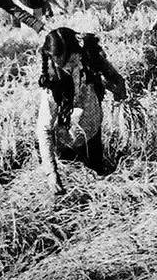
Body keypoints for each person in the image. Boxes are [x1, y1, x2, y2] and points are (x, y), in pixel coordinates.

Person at [36, 28, 127, 194]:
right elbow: (44, 129)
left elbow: (113, 78)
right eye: (57, 61)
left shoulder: (89, 58)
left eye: (70, 60)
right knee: (76, 188)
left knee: (100, 183)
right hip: (66, 142)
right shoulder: (52, 81)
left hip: (92, 131)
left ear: (76, 52)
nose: (67, 66)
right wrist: (51, 173)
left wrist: (119, 94)